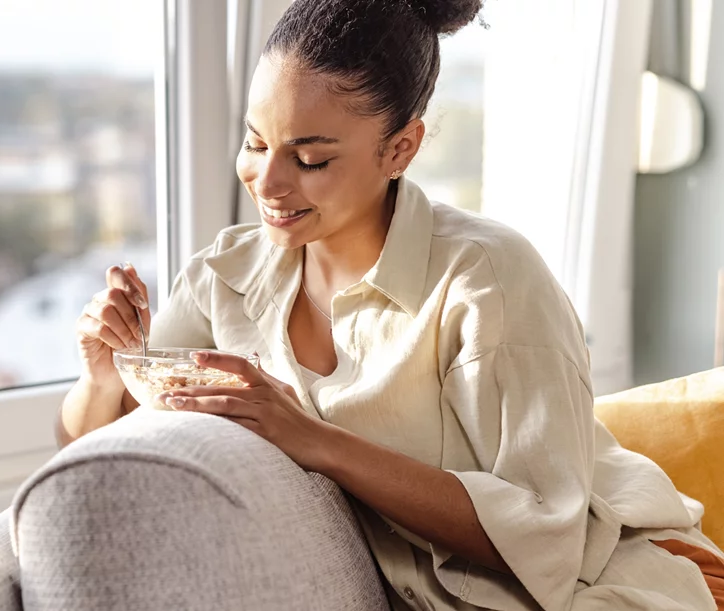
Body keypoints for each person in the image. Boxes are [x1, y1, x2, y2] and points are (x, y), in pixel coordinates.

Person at [58, 0, 724, 608]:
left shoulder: (485, 279)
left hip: (603, 587)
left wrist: (315, 440)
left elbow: (550, 533)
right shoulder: (224, 278)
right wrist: (103, 374)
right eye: (255, 142)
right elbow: (101, 462)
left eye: (310, 158)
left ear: (400, 148)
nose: (268, 179)